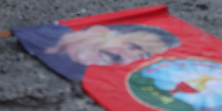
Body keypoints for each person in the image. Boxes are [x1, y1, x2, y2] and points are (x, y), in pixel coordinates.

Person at [15, 22, 181, 81]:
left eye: (140, 57)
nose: (125, 59)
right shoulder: (40, 31)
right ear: (98, 31)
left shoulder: (83, 74)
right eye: (133, 46)